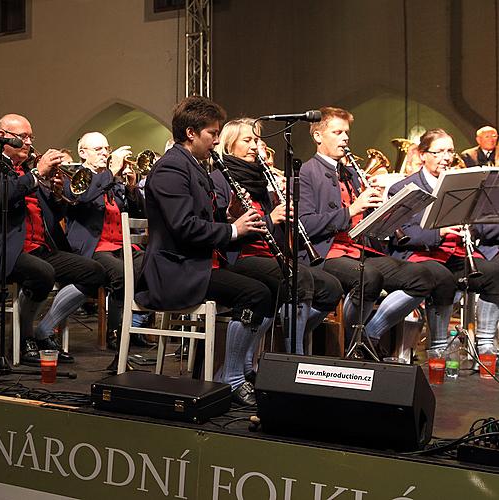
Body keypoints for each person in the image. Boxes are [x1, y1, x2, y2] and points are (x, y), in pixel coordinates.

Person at [136, 96, 274, 405]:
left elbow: (202, 219)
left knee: (271, 287)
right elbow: (184, 226)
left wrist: (232, 220)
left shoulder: (193, 166)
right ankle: (232, 377)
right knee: (255, 294)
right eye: (212, 133)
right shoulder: (171, 169)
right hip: (175, 271)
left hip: (194, 263)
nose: (216, 140)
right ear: (191, 133)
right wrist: (234, 229)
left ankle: (239, 369)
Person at [0, 113, 106, 364]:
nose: (29, 142)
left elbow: (54, 215)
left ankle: (43, 330)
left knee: (94, 272)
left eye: (31, 136)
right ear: (4, 137)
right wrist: (35, 176)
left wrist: (57, 194)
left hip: (40, 248)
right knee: (42, 272)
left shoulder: (29, 171)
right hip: (2, 249)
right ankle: (25, 336)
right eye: (23, 137)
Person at [298, 107, 433, 356]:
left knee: (421, 277)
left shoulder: (350, 173)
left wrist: (385, 210)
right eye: (337, 132)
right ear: (318, 136)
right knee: (367, 277)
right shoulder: (307, 172)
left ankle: (368, 333)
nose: (345, 138)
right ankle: (354, 342)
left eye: (346, 133)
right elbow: (305, 225)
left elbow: (367, 223)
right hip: (327, 253)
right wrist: (351, 211)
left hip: (359, 249)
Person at [214, 118, 343, 359]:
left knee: (330, 287)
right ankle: (295, 357)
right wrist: (272, 217)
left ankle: (294, 337)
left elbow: (274, 234)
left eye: (256, 140)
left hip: (270, 255)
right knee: (299, 278)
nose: (255, 146)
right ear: (230, 145)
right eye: (248, 140)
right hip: (239, 256)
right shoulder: (220, 179)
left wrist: (284, 215)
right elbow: (222, 231)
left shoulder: (260, 181)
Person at [389, 128, 499, 351]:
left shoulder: (460, 185)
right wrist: (440, 232)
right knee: (443, 278)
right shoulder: (402, 188)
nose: (446, 157)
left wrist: (471, 226)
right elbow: (403, 234)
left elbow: (476, 227)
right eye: (439, 152)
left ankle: (486, 342)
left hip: (453, 254)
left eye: (450, 151)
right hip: (419, 256)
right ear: (422, 155)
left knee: (494, 273)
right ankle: (438, 345)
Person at [66, 131, 151, 350]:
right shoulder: (74, 177)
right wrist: (112, 171)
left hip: (120, 244)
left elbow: (139, 214)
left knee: (152, 264)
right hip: (94, 247)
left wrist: (132, 189)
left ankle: (135, 324)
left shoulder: (113, 181)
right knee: (122, 275)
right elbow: (83, 198)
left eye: (106, 148)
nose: (105, 153)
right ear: (82, 153)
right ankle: (116, 332)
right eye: (98, 149)